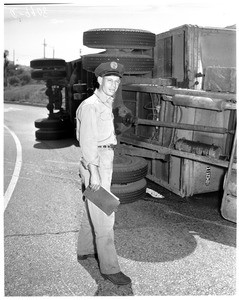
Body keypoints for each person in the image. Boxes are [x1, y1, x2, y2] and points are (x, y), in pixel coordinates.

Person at [75, 61, 131, 286]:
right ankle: (109, 268)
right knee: (105, 215)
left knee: (94, 207)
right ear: (99, 80)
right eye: (110, 81)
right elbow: (88, 142)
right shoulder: (91, 106)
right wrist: (94, 172)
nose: (114, 85)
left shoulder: (104, 103)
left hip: (103, 158)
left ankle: (85, 249)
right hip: (96, 162)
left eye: (117, 82)